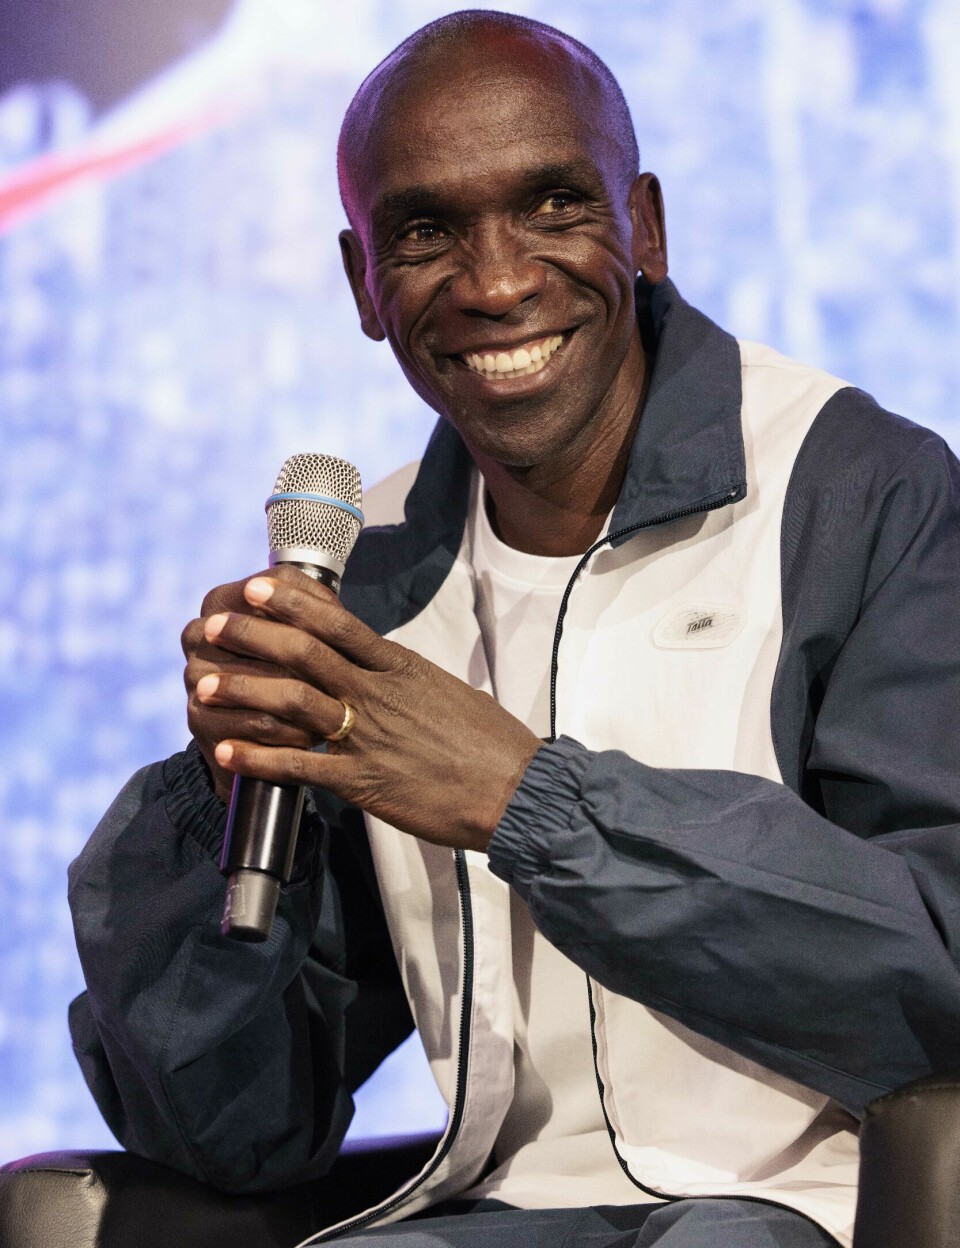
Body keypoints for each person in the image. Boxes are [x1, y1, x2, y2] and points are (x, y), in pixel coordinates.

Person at [67, 11, 960, 1248]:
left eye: (552, 207)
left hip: (818, 1204)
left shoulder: (856, 490)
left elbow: (939, 963)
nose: (494, 283)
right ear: (361, 285)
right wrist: (217, 795)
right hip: (483, 1211)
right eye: (426, 232)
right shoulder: (361, 575)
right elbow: (236, 1130)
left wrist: (524, 800)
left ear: (642, 226)